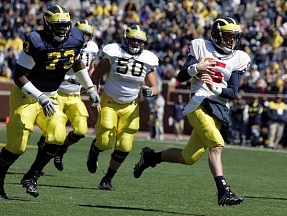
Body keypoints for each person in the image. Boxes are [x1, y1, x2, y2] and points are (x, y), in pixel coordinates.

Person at [133, 17, 251, 206]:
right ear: (217, 35)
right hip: (199, 103)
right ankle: (223, 191)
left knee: (188, 158)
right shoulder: (200, 46)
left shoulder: (240, 57)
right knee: (217, 144)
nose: (232, 41)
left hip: (218, 109)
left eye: (234, 37)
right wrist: (197, 67)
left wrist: (215, 88)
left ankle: (150, 157)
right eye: (228, 36)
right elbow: (181, 75)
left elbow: (233, 92)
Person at [0, 5, 100, 199]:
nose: (63, 29)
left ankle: (31, 176)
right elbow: (19, 76)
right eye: (58, 25)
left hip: (51, 96)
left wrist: (90, 89)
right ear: (47, 24)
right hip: (26, 97)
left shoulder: (76, 38)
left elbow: (77, 62)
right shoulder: (35, 41)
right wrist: (40, 97)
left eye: (65, 25)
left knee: (58, 135)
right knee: (17, 146)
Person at [87, 24, 159, 190]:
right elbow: (97, 75)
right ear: (126, 39)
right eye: (133, 40)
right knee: (105, 141)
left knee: (125, 146)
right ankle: (94, 150)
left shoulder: (148, 60)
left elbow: (154, 86)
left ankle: (107, 179)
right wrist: (94, 96)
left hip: (131, 106)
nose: (135, 44)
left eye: (139, 41)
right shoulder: (113, 53)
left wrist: (150, 91)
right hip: (110, 102)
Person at [37, 19, 99, 172]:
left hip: (74, 95)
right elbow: (51, 67)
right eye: (82, 34)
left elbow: (90, 67)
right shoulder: (64, 43)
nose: (85, 38)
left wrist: (89, 85)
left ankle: (62, 149)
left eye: (87, 35)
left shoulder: (92, 48)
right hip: (56, 92)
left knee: (81, 130)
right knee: (53, 131)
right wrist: (65, 77)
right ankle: (39, 164)